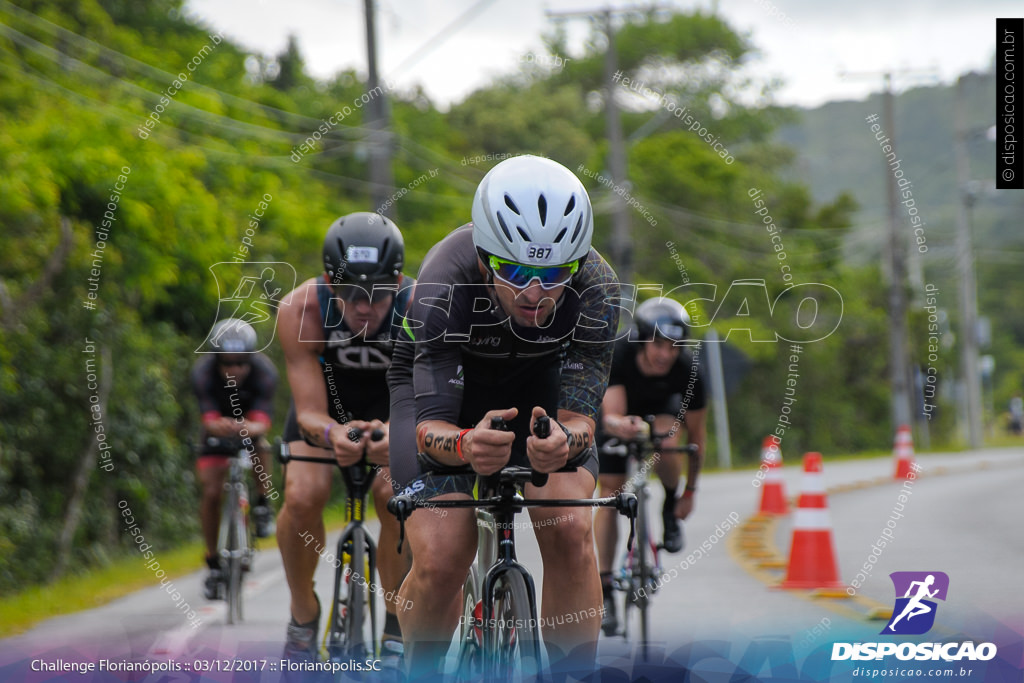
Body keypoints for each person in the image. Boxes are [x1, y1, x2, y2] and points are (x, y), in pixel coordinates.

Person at [387, 155, 621, 675]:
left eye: (554, 274)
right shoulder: (443, 281)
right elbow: (429, 430)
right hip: (443, 399)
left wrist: (563, 439)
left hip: (538, 392)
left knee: (568, 527)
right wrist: (466, 445)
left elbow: (581, 417)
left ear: (578, 265)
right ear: (483, 254)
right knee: (446, 554)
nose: (534, 293)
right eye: (514, 271)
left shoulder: (596, 289)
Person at [275, 212, 414, 664]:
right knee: (301, 495)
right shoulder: (301, 310)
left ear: (397, 282)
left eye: (378, 295)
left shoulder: (421, 308)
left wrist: (396, 433)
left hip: (395, 410)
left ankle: (395, 623)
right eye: (351, 293)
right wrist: (334, 432)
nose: (364, 307)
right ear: (329, 283)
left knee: (396, 495)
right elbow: (311, 411)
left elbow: (427, 398)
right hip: (325, 414)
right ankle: (303, 613)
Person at [593, 297, 707, 634]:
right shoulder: (620, 354)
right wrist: (617, 426)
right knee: (610, 496)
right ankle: (605, 588)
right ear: (642, 340)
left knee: (669, 442)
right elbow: (610, 414)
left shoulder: (688, 371)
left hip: (663, 415)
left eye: (674, 347)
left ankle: (667, 510)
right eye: (658, 344)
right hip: (621, 416)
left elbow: (697, 438)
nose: (665, 354)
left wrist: (690, 491)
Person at [191, 318, 278, 600]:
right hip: (216, 431)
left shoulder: (265, 371)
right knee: (212, 491)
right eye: (227, 363)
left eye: (241, 363)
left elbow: (263, 420)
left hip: (250, 429)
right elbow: (208, 417)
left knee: (261, 445)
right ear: (216, 359)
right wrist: (219, 425)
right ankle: (214, 561)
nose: (234, 369)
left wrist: (250, 427)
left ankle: (263, 503)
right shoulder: (202, 373)